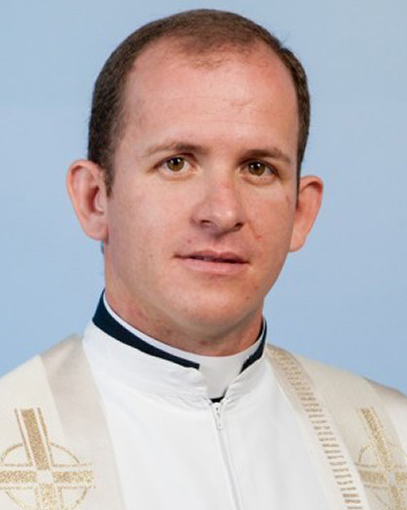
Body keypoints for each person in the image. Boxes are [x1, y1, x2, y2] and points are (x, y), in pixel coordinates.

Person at [0, 9, 406, 510]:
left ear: (301, 212)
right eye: (176, 163)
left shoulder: (396, 440)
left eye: (257, 168)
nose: (223, 212)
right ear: (94, 200)